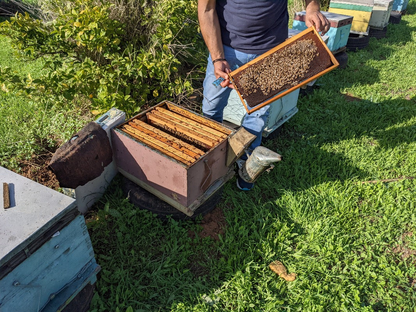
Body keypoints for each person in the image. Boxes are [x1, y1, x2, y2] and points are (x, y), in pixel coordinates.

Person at [198, 0, 330, 190]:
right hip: (226, 50)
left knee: (258, 115)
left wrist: (313, 8)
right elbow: (207, 9)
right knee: (212, 107)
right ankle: (208, 160)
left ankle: (249, 163)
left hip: (271, 51)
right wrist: (218, 57)